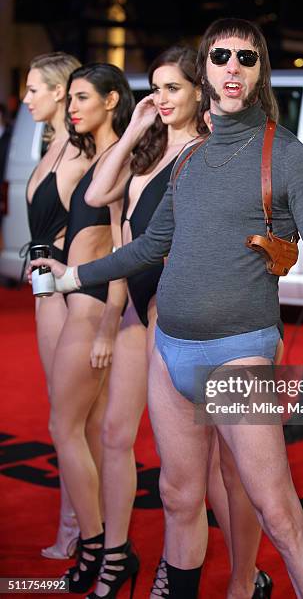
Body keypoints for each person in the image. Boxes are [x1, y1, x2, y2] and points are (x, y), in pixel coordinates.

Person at [31, 19, 303, 598]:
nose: (233, 67)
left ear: (257, 74)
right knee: (181, 500)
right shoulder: (189, 158)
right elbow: (151, 246)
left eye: (247, 59)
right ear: (205, 68)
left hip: (238, 354)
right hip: (169, 350)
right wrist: (73, 275)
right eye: (222, 56)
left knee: (277, 511)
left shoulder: (289, 156)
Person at [84, 45, 273, 599]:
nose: (161, 99)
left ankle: (241, 577)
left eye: (173, 88)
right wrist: (135, 126)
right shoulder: (147, 159)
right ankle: (216, 574)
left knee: (227, 471)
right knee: (191, 475)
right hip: (149, 319)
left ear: (199, 92)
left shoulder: (208, 154)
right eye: (155, 88)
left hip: (192, 322)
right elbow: (98, 195)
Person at [46, 63, 134, 592]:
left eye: (82, 98)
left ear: (111, 101)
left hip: (95, 308)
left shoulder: (120, 161)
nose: (72, 107)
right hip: (78, 297)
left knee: (64, 429)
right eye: (71, 98)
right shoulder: (98, 158)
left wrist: (106, 326)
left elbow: (124, 251)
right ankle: (101, 549)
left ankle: (97, 545)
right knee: (85, 432)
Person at [22, 52, 90, 559]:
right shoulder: (53, 147)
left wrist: (59, 267)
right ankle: (83, 528)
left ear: (59, 92)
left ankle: (81, 532)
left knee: (69, 421)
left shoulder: (79, 153)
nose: (25, 99)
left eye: (32, 89)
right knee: (64, 415)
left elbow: (96, 226)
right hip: (47, 288)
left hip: (67, 293)